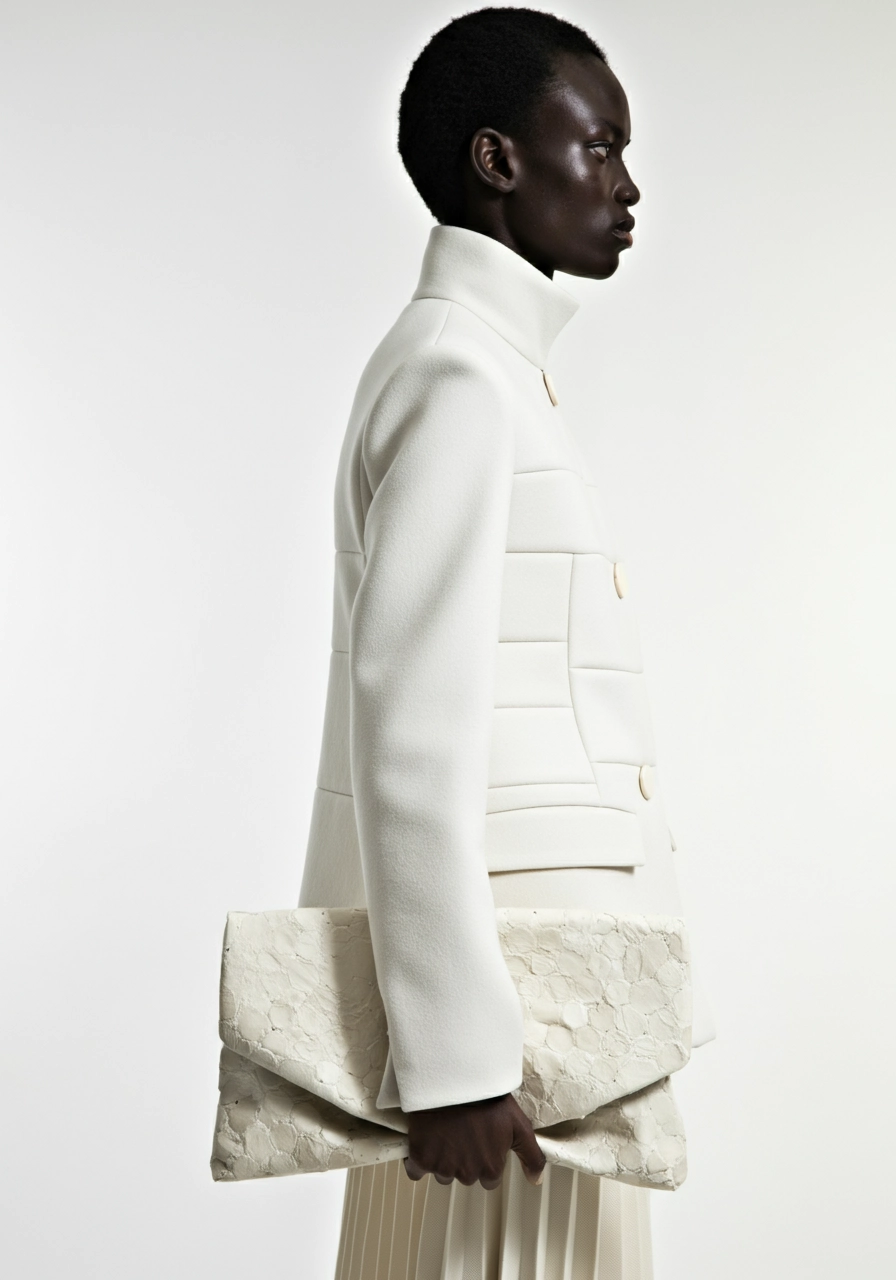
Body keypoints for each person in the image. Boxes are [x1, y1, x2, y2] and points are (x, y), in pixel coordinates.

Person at [298, 9, 714, 1277]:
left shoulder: (479, 366)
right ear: (497, 159)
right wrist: (455, 1060)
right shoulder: (460, 376)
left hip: (533, 1013)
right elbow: (408, 728)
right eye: (599, 147)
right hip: (509, 1031)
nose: (626, 186)